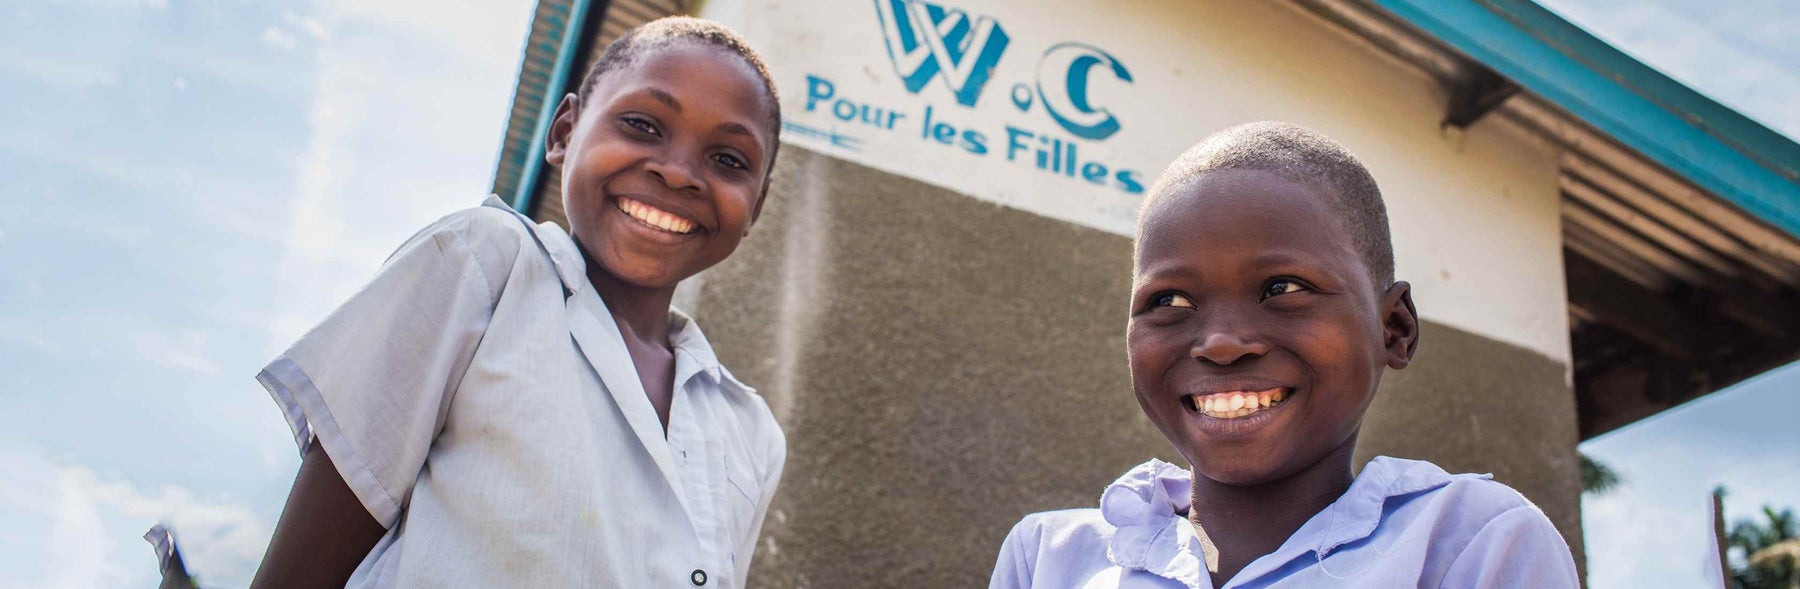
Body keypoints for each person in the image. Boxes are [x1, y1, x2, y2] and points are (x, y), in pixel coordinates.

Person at [248, 17, 786, 588]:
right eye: (642, 125)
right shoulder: (484, 265)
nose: (678, 173)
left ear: (755, 206)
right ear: (564, 133)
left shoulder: (748, 430)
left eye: (728, 159)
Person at [988, 122, 1579, 588]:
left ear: (1393, 329)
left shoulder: (1470, 540)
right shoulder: (1048, 561)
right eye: (1169, 299)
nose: (1220, 342)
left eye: (1283, 289)